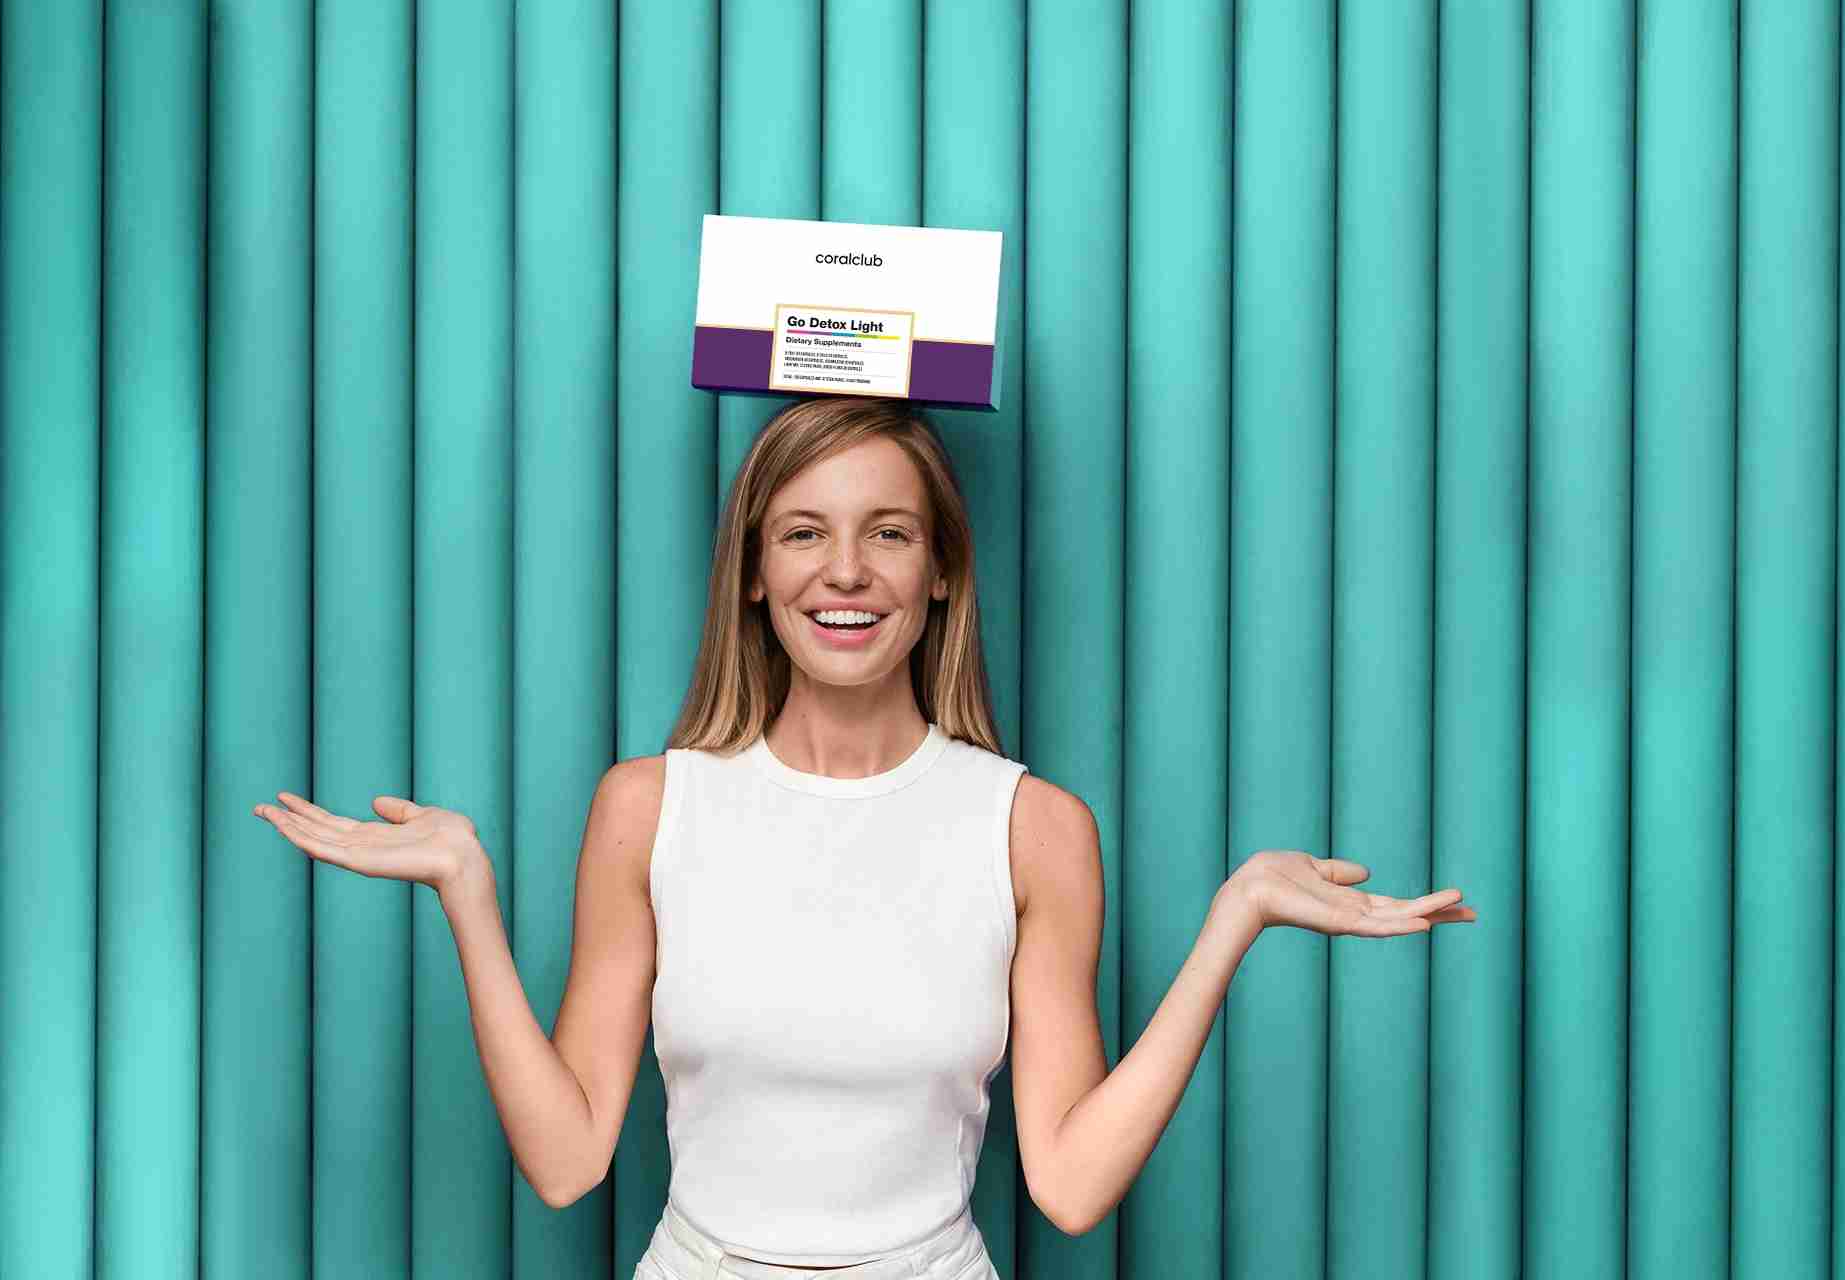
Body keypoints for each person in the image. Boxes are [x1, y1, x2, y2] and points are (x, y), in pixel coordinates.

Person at [253, 395, 1476, 1280]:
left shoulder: (1034, 828)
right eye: (803, 531)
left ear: (941, 570)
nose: (845, 570)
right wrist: (466, 891)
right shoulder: (648, 805)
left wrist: (1234, 919)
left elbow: (1071, 1182)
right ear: (752, 571)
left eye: (889, 531)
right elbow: (567, 1157)